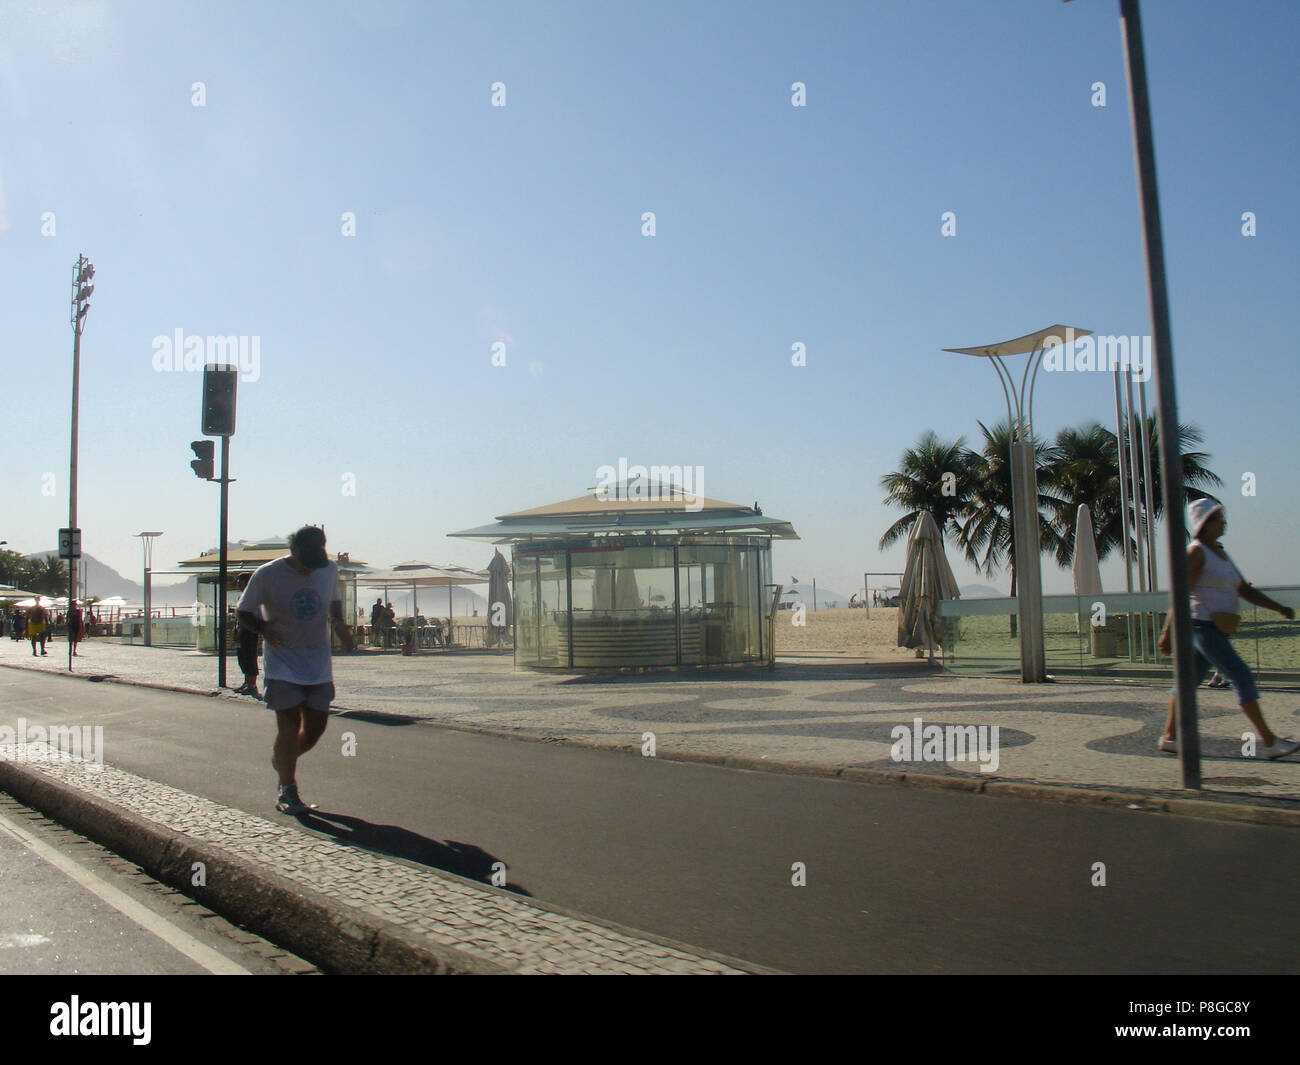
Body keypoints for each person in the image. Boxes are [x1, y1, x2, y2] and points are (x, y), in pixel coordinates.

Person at [1158, 500, 1298, 760]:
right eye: (1219, 518)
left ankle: (1169, 737)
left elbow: (1244, 590)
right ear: (1206, 523)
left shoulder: (1220, 552)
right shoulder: (1196, 552)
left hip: (1217, 629)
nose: (1224, 522)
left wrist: (1278, 607)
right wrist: (1167, 633)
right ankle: (1269, 742)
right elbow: (1180, 593)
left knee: (1187, 682)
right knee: (1241, 675)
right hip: (1202, 627)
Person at [236, 526, 354, 814]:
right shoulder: (267, 574)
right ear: (295, 552)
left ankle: (283, 759)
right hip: (282, 664)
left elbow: (334, 600)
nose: (312, 568)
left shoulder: (328, 569)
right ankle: (287, 789)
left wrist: (338, 623)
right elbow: (243, 611)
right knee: (288, 726)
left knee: (315, 730)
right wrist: (264, 629)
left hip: (318, 665)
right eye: (307, 562)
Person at [233, 573, 261, 697]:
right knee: (242, 657)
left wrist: (242, 629)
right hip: (241, 630)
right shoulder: (242, 596)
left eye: (240, 581)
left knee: (249, 657)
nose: (238, 584)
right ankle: (246, 682)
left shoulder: (253, 596)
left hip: (249, 631)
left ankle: (252, 685)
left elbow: (251, 616)